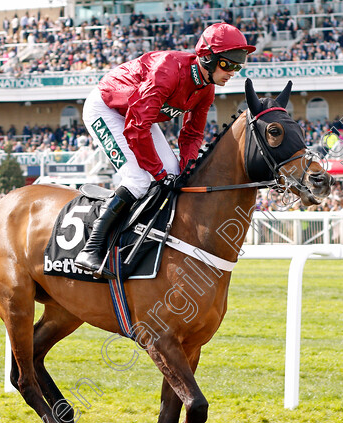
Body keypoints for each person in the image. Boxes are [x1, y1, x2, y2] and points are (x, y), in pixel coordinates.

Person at [74, 23, 255, 278]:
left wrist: (187, 168)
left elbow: (192, 135)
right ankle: (91, 248)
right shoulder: (167, 71)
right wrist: (157, 172)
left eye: (238, 66)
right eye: (227, 65)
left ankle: (148, 238)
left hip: (135, 113)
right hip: (107, 108)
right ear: (207, 57)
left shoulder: (207, 90)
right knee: (138, 178)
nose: (232, 72)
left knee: (174, 173)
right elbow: (137, 126)